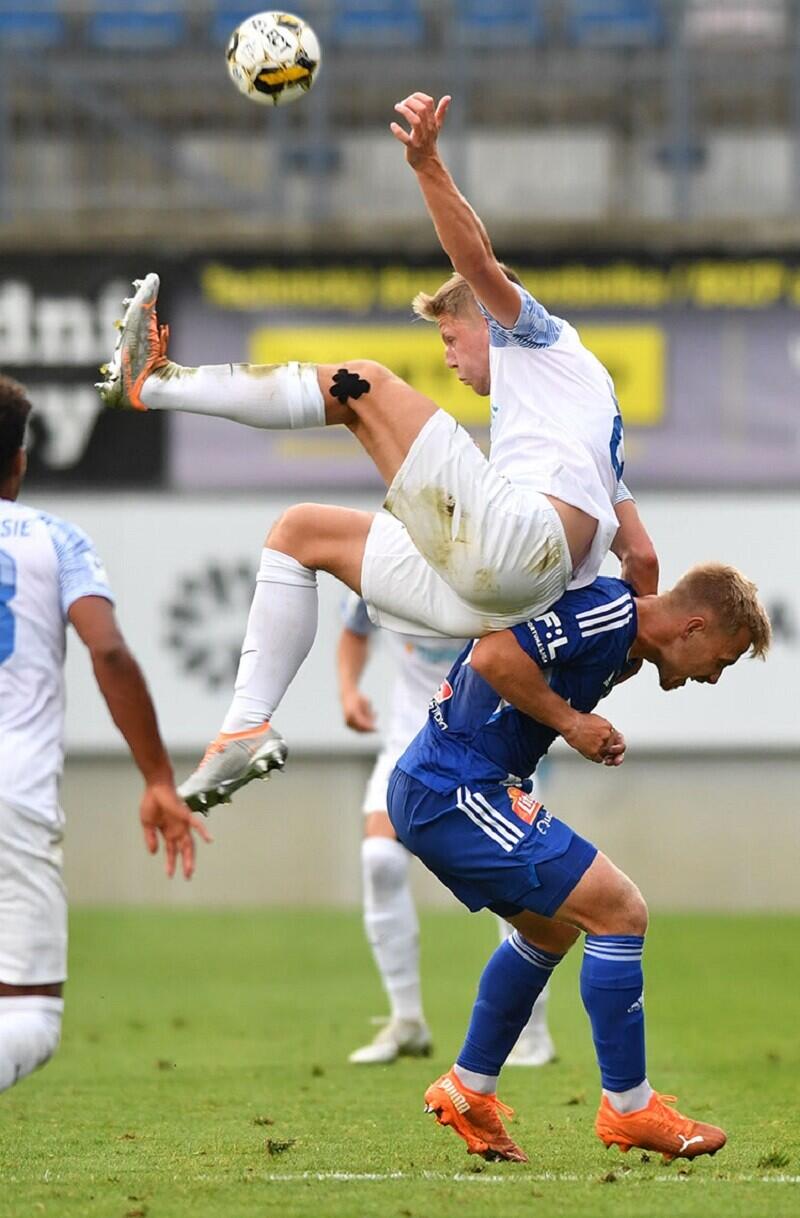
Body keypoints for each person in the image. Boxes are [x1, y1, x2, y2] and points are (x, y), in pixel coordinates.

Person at [96, 92, 656, 811]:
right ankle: (243, 729)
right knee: (299, 534)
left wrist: (426, 165)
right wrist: (611, 658)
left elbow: (475, 259)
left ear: (490, 321)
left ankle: (153, 384)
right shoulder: (583, 425)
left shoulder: (540, 338)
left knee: (362, 387)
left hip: (521, 552)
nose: (449, 359)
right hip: (499, 598)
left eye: (451, 338)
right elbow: (641, 560)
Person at [386, 564, 770, 1163]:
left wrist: (583, 719)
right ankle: (629, 1105)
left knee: (551, 930)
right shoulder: (610, 614)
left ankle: (469, 1087)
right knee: (620, 911)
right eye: (721, 660)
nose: (714, 677)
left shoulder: (623, 642)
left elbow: (635, 565)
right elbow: (492, 657)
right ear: (693, 628)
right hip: (453, 789)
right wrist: (571, 723)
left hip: (457, 786)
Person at [0, 376, 210, 1096]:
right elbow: (109, 651)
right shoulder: (55, 540)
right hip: (12, 795)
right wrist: (158, 777)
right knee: (29, 1020)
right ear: (19, 462)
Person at [338, 594, 555, 1067]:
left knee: (518, 881)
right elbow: (354, 628)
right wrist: (349, 690)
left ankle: (532, 1032)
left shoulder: (492, 569)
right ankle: (407, 1020)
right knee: (380, 860)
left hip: (490, 740)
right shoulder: (381, 569)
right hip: (410, 740)